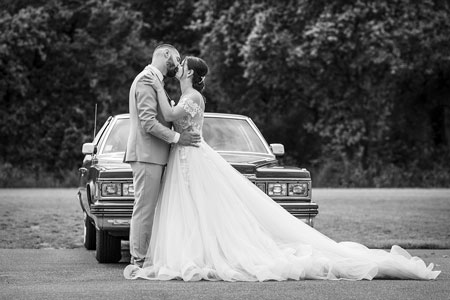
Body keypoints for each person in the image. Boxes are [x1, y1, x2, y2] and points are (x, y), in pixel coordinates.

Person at [124, 56, 440, 281]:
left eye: (181, 65)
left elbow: (165, 114)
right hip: (184, 156)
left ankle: (202, 255)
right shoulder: (185, 93)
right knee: (190, 209)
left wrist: (153, 78)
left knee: (202, 208)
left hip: (190, 155)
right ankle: (191, 254)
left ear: (190, 73)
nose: (177, 67)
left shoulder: (190, 97)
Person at [124, 45, 201, 267]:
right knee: (145, 209)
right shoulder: (147, 80)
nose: (178, 64)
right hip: (147, 154)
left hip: (154, 155)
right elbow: (148, 122)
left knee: (150, 209)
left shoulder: (154, 80)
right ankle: (138, 261)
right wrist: (177, 138)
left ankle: (145, 257)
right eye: (177, 59)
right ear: (166, 54)